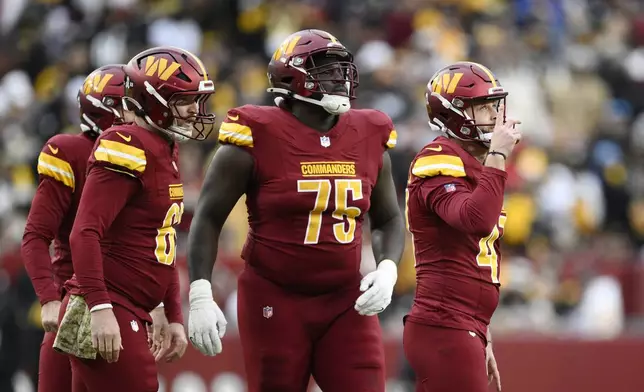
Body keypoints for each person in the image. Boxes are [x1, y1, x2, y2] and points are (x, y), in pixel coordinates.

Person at [186, 29, 405, 392]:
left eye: (341, 67)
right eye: (326, 68)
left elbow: (388, 218)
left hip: (344, 299)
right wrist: (200, 292)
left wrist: (387, 268)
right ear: (293, 76)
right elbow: (208, 217)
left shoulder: (369, 131)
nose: (340, 77)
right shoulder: (258, 132)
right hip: (275, 297)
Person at [61, 46, 216, 392]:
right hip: (108, 302)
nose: (195, 111)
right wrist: (100, 307)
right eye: (185, 100)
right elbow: (83, 233)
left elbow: (162, 243)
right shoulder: (128, 143)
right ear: (155, 101)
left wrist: (171, 313)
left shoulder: (165, 147)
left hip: (131, 305)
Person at [403, 61, 522, 392]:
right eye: (483, 108)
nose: (495, 116)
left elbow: (476, 257)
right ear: (454, 113)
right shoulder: (437, 158)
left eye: (494, 105)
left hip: (463, 326)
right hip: (444, 324)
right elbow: (475, 221)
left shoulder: (475, 164)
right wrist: (498, 154)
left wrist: (483, 330)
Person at [21, 64, 129, 392]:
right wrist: (50, 299)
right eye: (132, 102)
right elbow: (35, 235)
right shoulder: (70, 153)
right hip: (78, 305)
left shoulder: (155, 153)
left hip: (130, 304)